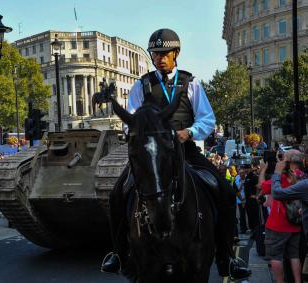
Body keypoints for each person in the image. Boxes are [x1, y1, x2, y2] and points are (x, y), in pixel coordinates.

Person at [100, 28, 251, 279]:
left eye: (164, 53)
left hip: (185, 149)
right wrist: (137, 132)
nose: (159, 57)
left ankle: (227, 257)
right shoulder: (142, 84)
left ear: (176, 53)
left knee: (223, 190)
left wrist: (189, 132)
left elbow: (207, 119)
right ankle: (119, 253)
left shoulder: (191, 83)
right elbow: (130, 118)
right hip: (152, 155)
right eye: (155, 53)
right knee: (118, 194)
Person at [259, 155, 302, 283]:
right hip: (294, 223)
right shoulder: (297, 177)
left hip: (277, 224)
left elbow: (262, 186)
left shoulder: (280, 179)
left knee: (275, 257)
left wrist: (263, 170)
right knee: (294, 255)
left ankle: (279, 281)